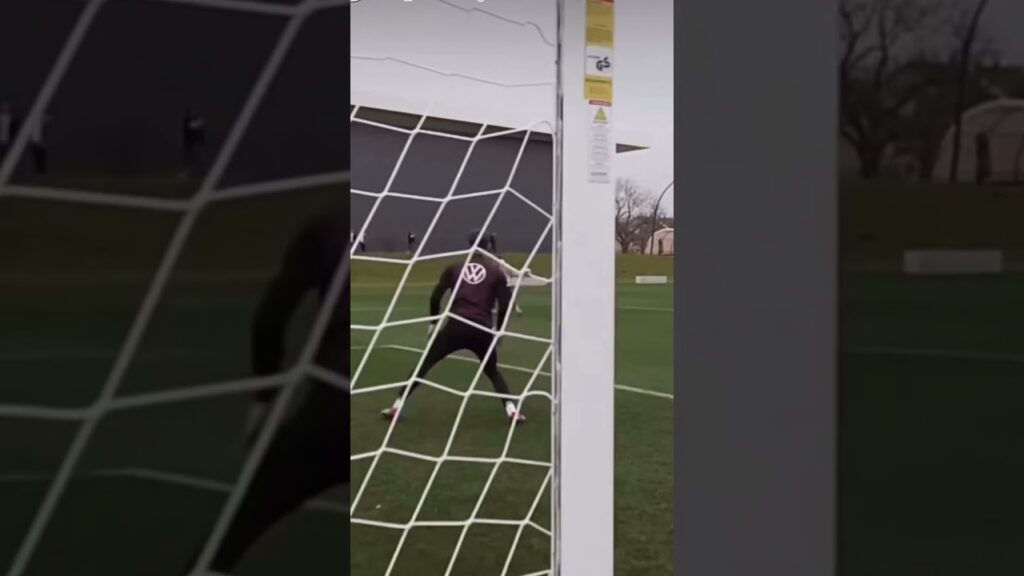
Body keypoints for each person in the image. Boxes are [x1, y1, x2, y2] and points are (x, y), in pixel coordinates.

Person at [186, 209, 349, 574]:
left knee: (238, 527)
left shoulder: (327, 225)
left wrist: (264, 401)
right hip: (378, 406)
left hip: (333, 405)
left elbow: (270, 317)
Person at [382, 231, 524, 424]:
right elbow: (505, 306)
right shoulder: (496, 272)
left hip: (456, 325)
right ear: (488, 246)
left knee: (425, 365)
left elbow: (435, 297)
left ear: (469, 244)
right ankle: (512, 411)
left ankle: (396, 406)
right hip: (481, 329)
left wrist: (432, 324)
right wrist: (497, 331)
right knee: (492, 371)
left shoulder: (454, 268)